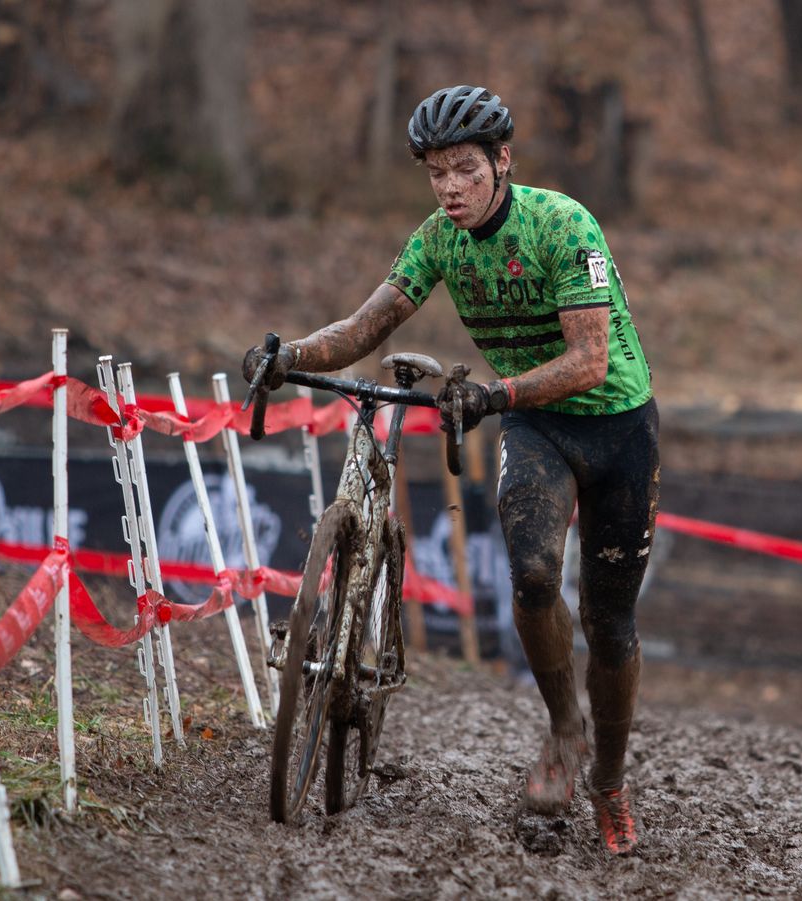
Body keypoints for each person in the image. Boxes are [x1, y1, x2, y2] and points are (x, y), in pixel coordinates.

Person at [243, 85, 658, 856]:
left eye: (465, 170)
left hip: (617, 426)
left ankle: (608, 778)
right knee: (533, 577)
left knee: (611, 622)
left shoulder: (563, 225)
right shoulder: (438, 237)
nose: (451, 189)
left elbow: (589, 361)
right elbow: (365, 327)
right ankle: (565, 730)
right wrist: (288, 357)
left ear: (503, 162)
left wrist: (494, 393)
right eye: (436, 173)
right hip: (535, 425)